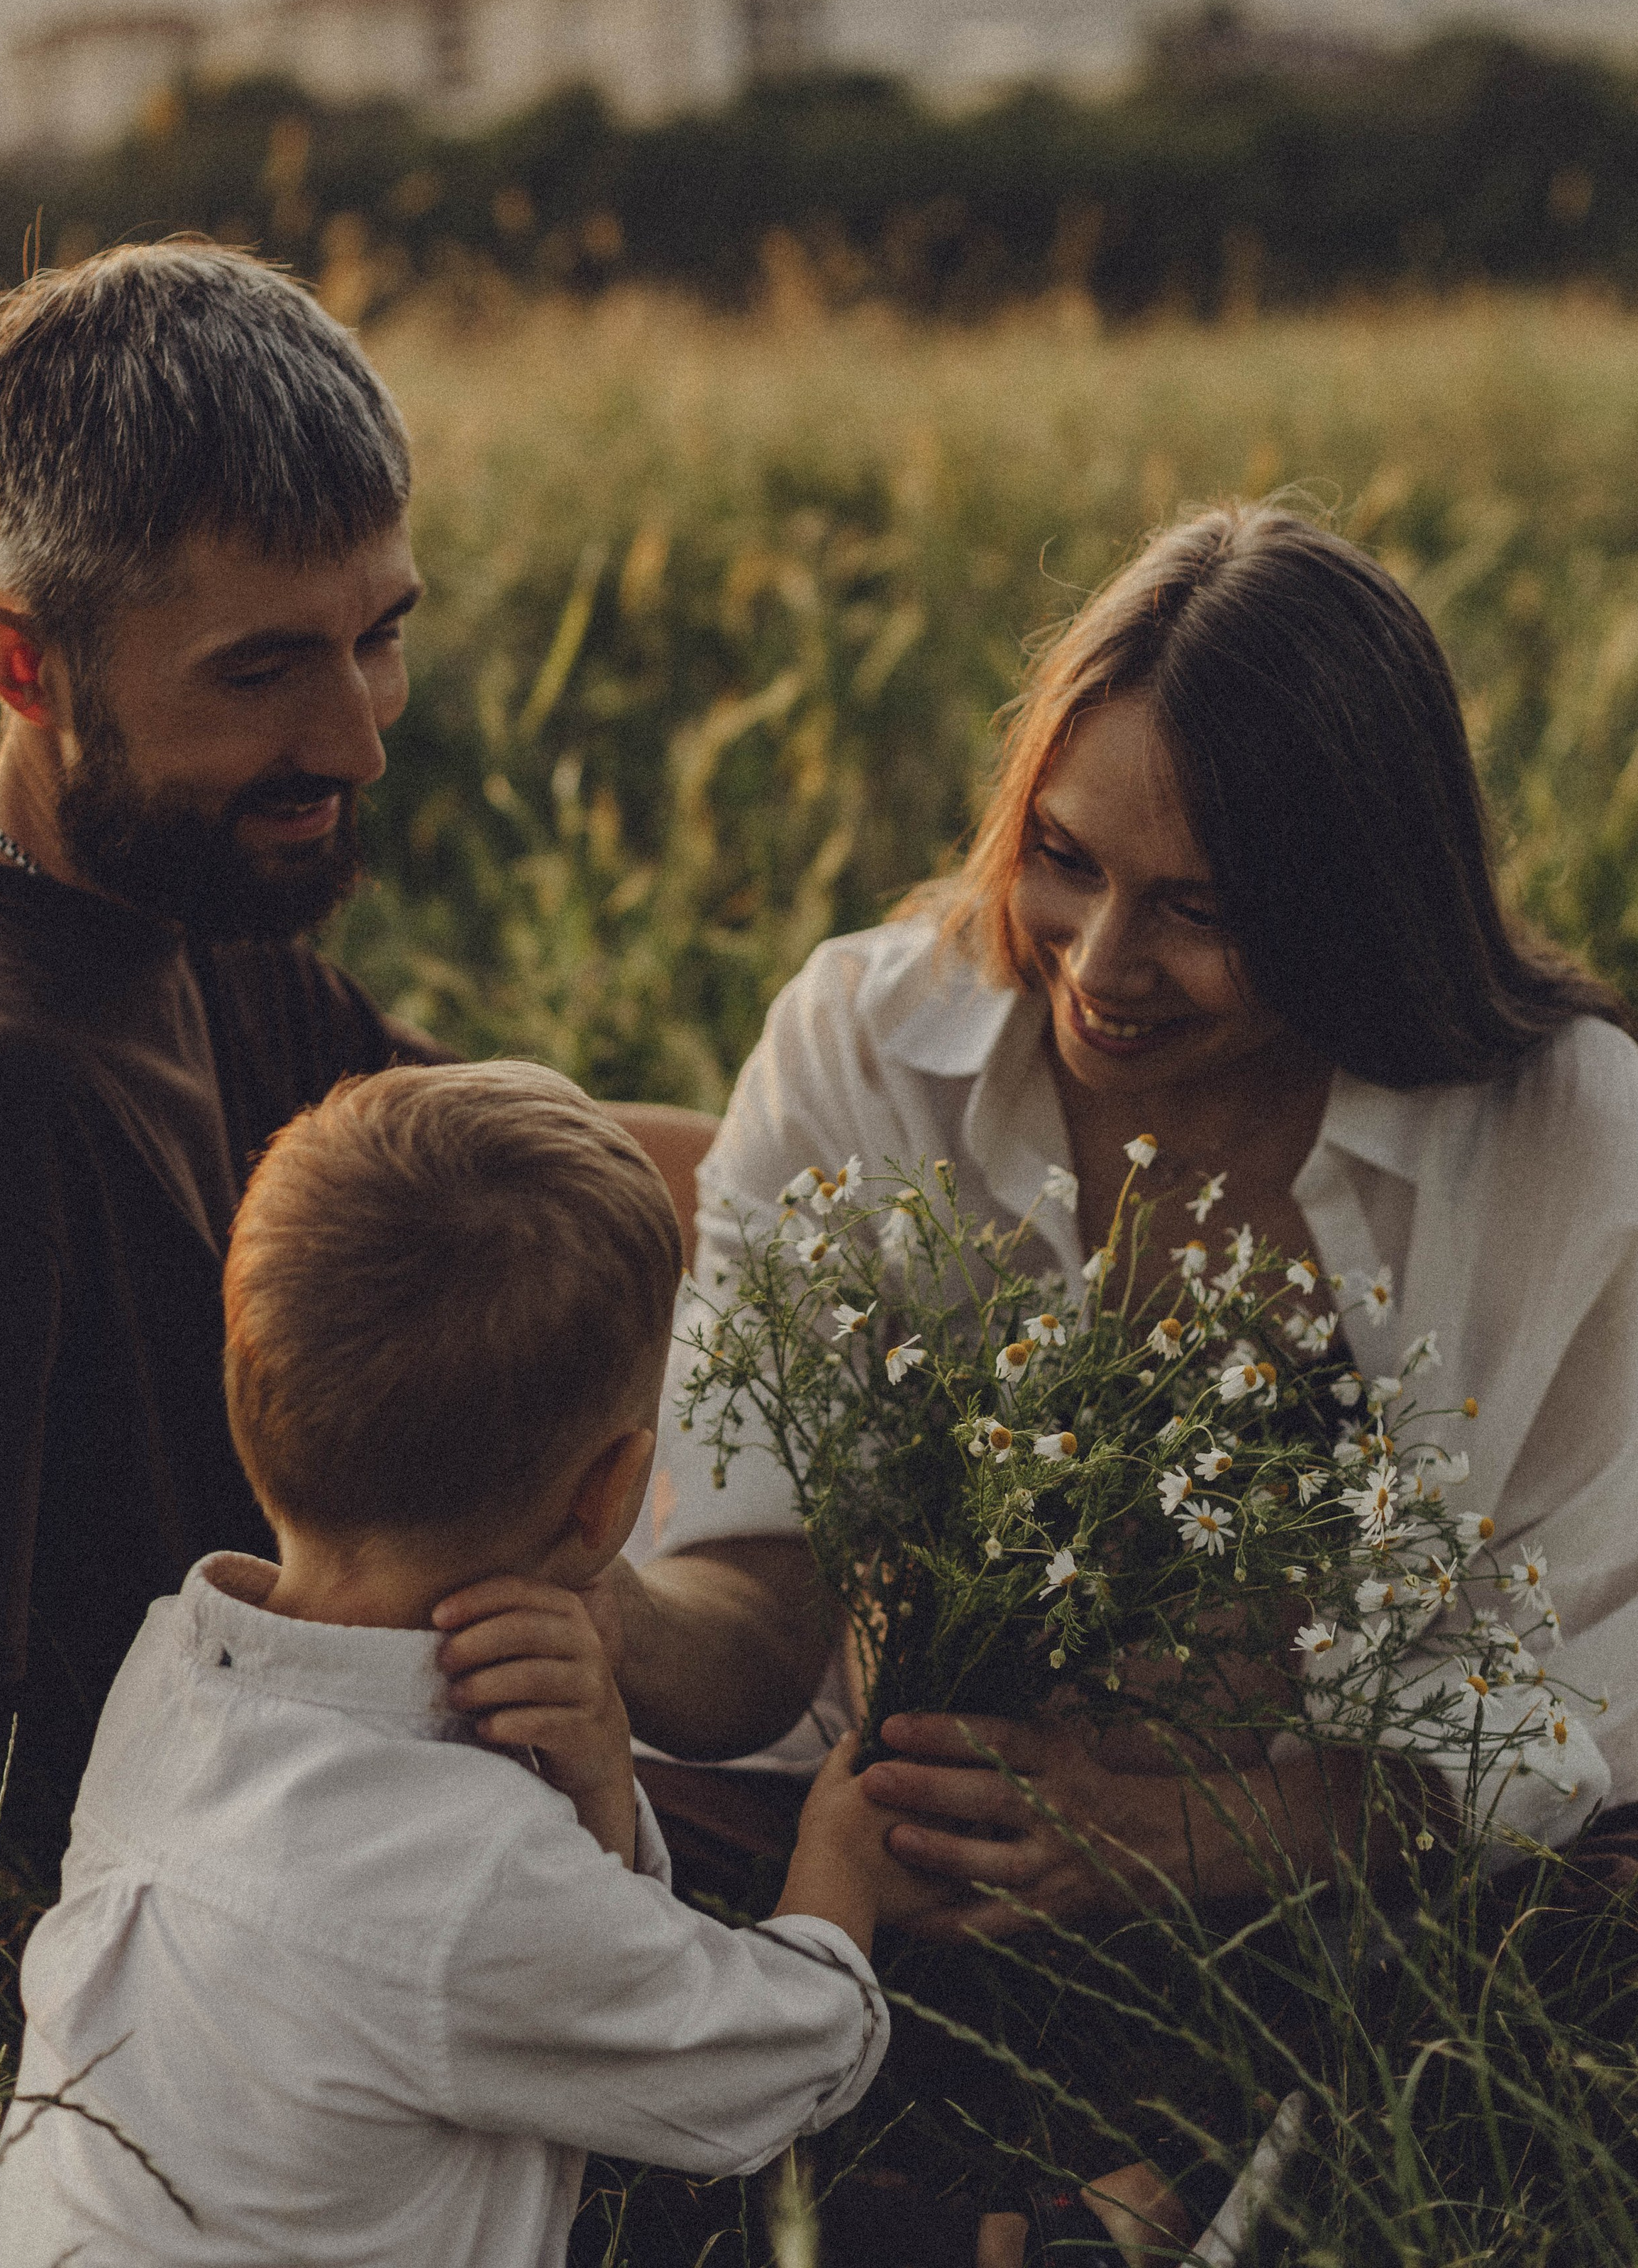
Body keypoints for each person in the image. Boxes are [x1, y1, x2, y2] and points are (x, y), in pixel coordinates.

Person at [600, 501, 1638, 2257]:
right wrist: (577, 1619)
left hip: (1369, 1875)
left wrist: (1190, 1832)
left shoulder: (1566, 1141)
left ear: (1358, 904)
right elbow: (752, 1586)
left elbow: (1586, 1692)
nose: (1097, 964)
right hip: (896, 1840)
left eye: (1198, 912)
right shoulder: (868, 1046)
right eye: (1063, 860)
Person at [0, 243, 713, 1864]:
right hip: (257, 1951)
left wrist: (902, 1203)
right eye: (262, 670)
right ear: (24, 664)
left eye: (377, 634)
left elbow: (525, 1170)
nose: (358, 734)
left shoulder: (168, 891)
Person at [0, 1061, 937, 2268]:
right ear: (604, 1500)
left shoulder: (176, 1668)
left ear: (248, 1402)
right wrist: (836, 1865)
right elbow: (762, 2071)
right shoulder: (470, 1879)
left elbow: (541, 1989)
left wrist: (594, 1787)